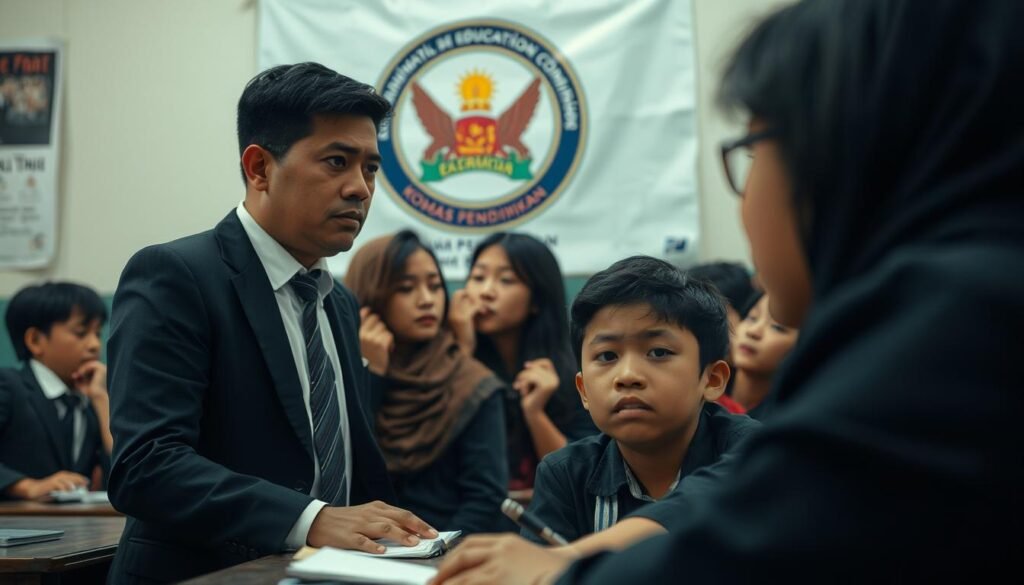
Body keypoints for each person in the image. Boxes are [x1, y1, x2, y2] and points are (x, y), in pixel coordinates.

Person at [432, 0, 1024, 582]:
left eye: (753, 151)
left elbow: (744, 534)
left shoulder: (945, 336)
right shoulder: (958, 302)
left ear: (839, 157)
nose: (745, 202)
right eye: (607, 354)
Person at [105, 63, 436, 584]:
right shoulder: (177, 276)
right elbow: (146, 465)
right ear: (259, 168)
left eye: (370, 168)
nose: (360, 188)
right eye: (336, 162)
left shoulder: (339, 302)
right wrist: (313, 520)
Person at [523, 256, 759, 543]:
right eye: (607, 356)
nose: (628, 375)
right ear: (584, 390)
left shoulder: (750, 451)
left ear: (712, 379)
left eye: (658, 352)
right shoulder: (565, 475)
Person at [343, 231, 508, 535]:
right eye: (406, 288)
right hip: (360, 550)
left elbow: (485, 501)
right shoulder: (338, 376)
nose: (427, 300)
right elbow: (350, 472)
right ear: (371, 296)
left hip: (446, 556)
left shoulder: (470, 382)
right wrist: (372, 375)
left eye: (435, 286)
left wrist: (432, 555)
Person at [449, 233, 595, 490]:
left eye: (506, 280)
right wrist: (463, 351)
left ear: (536, 300)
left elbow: (579, 477)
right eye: (478, 277)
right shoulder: (449, 358)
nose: (486, 292)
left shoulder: (575, 370)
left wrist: (534, 413)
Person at [0, 282, 112, 499]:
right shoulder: (9, 386)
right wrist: (27, 486)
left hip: (73, 525)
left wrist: (101, 399)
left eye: (97, 334)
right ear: (35, 340)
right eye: (81, 333)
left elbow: (124, 472)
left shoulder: (89, 399)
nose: (95, 345)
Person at [730, 293, 798, 417]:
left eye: (777, 328)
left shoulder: (788, 419)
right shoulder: (700, 396)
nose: (753, 331)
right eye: (752, 318)